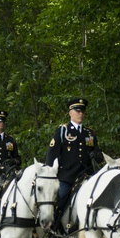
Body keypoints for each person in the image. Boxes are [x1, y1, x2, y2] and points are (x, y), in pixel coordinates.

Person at [46, 97, 104, 231]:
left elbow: (99, 154)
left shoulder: (89, 133)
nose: (81, 114)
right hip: (67, 176)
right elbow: (52, 154)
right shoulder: (63, 131)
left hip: (87, 176)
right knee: (59, 199)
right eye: (77, 111)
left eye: (83, 111)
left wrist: (96, 155)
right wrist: (51, 175)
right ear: (70, 112)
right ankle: (52, 230)